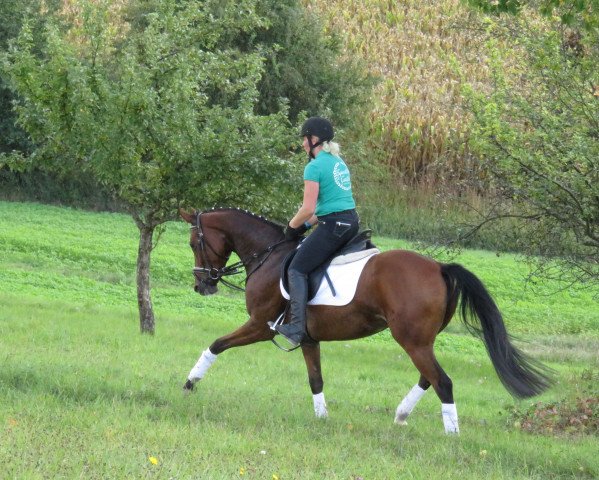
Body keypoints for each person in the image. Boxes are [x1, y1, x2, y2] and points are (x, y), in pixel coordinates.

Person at [275, 117, 359, 346]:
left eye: (305, 138)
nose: (303, 144)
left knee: (296, 269)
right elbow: (325, 208)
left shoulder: (314, 167)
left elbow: (307, 208)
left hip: (333, 227)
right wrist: (304, 225)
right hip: (350, 223)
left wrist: (291, 227)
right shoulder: (338, 162)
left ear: (315, 140)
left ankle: (295, 328)